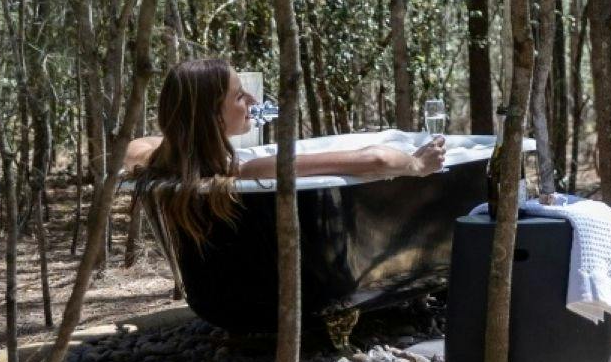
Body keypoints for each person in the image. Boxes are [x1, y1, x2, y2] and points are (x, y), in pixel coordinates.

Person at [125, 58, 445, 248]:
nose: (252, 100)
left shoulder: (154, 162)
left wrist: (186, 136)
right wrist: (416, 163)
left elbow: (138, 146)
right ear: (214, 116)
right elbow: (376, 160)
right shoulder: (248, 171)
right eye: (239, 97)